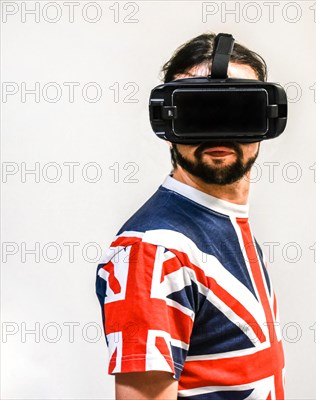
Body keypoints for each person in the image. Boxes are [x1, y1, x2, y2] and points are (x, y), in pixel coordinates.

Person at [95, 33, 285, 399]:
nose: (218, 131)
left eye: (238, 111)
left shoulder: (224, 223)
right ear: (167, 122)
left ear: (266, 120)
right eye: (199, 111)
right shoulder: (153, 252)